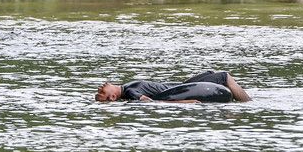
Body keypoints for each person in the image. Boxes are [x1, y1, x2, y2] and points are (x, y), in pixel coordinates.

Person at [94, 70, 252, 103]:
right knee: (224, 77)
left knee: (211, 73)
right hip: (183, 89)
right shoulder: (130, 91)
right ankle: (249, 104)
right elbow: (149, 102)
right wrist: (186, 103)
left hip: (183, 85)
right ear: (112, 97)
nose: (101, 86)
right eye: (102, 91)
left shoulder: (127, 88)